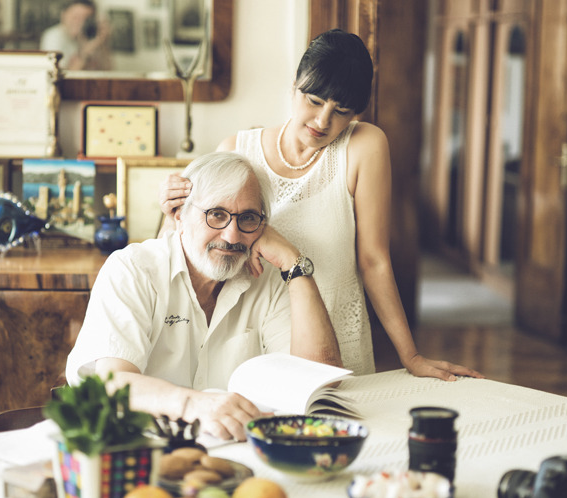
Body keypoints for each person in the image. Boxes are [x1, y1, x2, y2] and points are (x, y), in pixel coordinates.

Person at [159, 29, 484, 382]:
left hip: (336, 341)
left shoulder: (364, 147)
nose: (322, 121)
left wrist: (412, 356)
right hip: (253, 341)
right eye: (314, 101)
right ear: (294, 85)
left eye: (341, 111)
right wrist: (171, 212)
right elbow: (194, 252)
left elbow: (374, 260)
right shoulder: (237, 149)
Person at [66, 151, 342, 441]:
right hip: (139, 447)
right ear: (179, 215)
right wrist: (195, 404)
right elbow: (113, 384)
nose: (232, 236)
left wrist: (294, 264)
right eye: (216, 215)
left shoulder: (269, 280)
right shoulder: (133, 269)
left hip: (237, 453)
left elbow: (319, 382)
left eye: (247, 218)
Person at [40, 0, 111, 71]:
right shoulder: (53, 37)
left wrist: (102, 42)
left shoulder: (88, 36)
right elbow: (61, 77)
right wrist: (85, 53)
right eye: (75, 17)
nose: (80, 23)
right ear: (63, 15)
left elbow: (107, 71)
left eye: (85, 19)